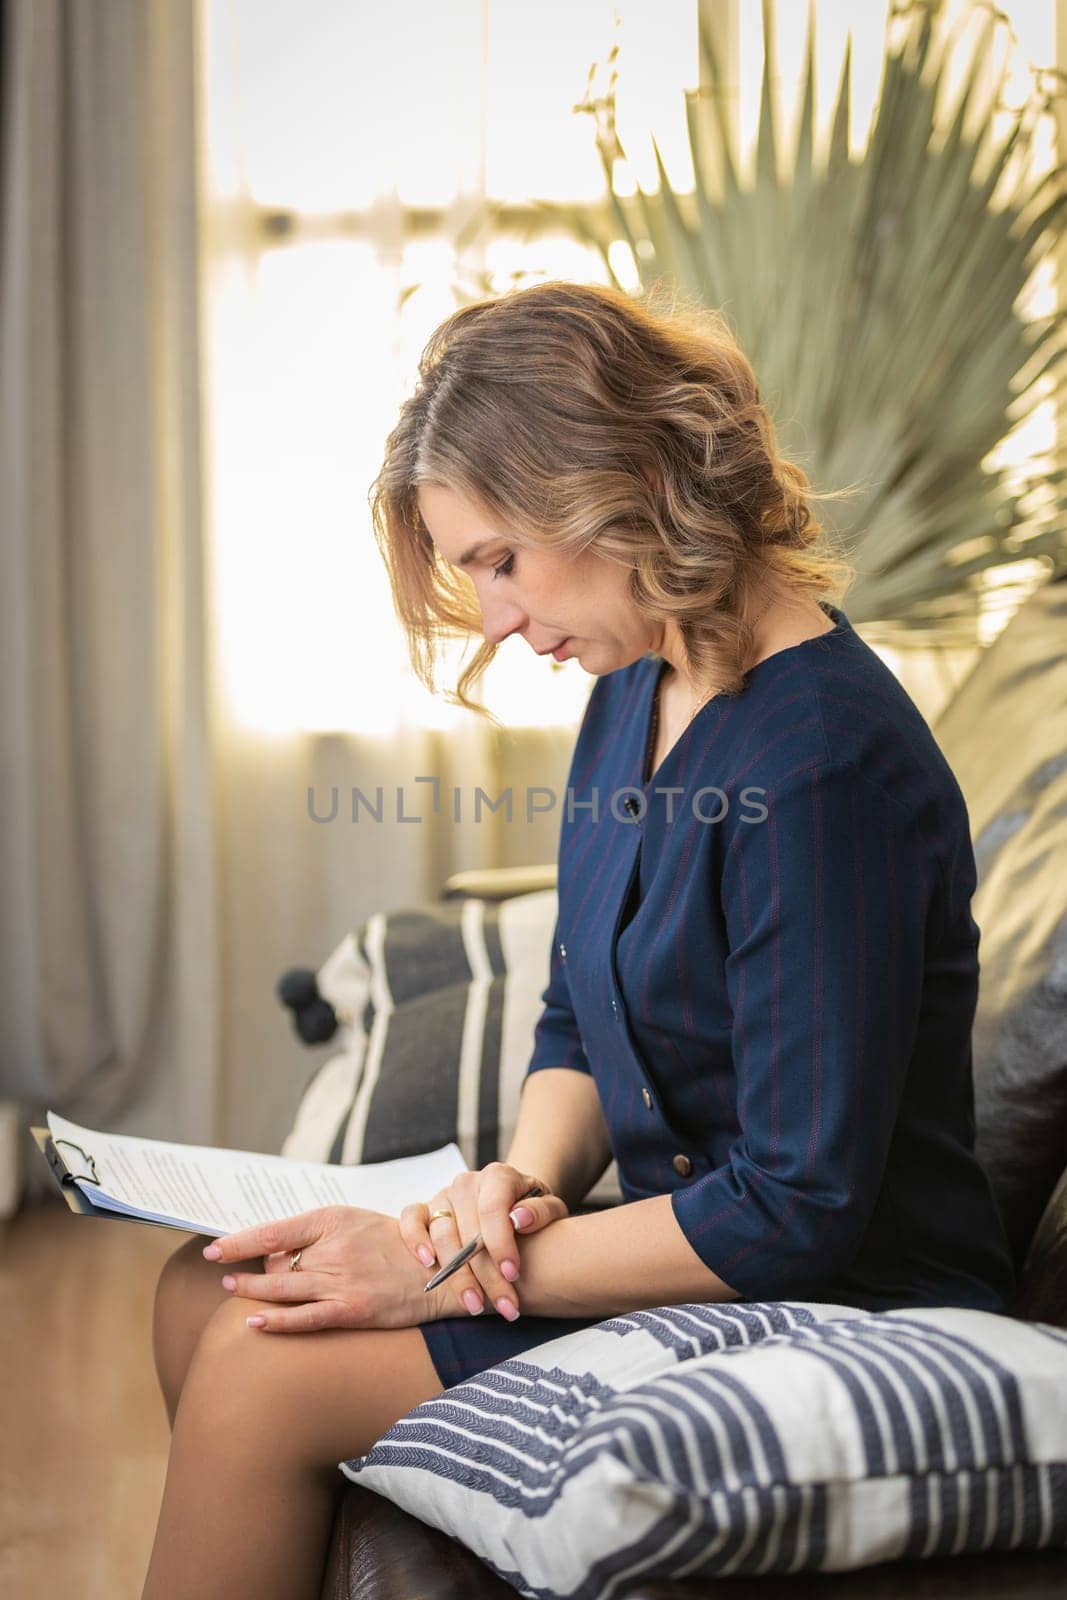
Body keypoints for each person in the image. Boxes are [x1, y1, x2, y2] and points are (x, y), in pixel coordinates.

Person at [144, 280, 1015, 1598]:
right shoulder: (632, 688)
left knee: (264, 1366)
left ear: (616, 487)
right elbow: (572, 1006)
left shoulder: (822, 764)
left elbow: (796, 1208)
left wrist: (441, 1272)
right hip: (692, 1240)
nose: (491, 618)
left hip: (848, 1298)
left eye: (498, 558)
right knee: (198, 1292)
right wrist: (514, 1182)